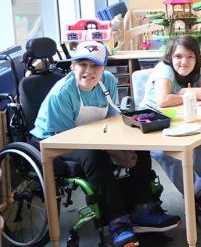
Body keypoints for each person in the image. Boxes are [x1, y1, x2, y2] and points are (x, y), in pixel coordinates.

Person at [30, 41, 180, 247]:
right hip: (53, 140)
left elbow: (113, 121)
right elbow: (67, 138)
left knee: (140, 146)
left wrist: (124, 147)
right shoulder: (63, 93)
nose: (88, 71)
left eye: (95, 66)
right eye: (82, 64)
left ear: (104, 68)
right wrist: (115, 152)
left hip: (93, 136)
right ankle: (117, 222)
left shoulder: (107, 81)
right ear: (73, 66)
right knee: (94, 156)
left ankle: (143, 208)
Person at [140, 36, 201, 220]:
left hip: (179, 119)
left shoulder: (198, 69)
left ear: (197, 58)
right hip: (154, 122)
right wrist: (190, 95)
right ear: (170, 57)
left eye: (190, 56)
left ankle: (200, 193)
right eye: (178, 56)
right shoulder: (164, 69)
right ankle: (197, 195)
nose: (184, 61)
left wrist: (187, 92)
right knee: (163, 153)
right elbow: (163, 100)